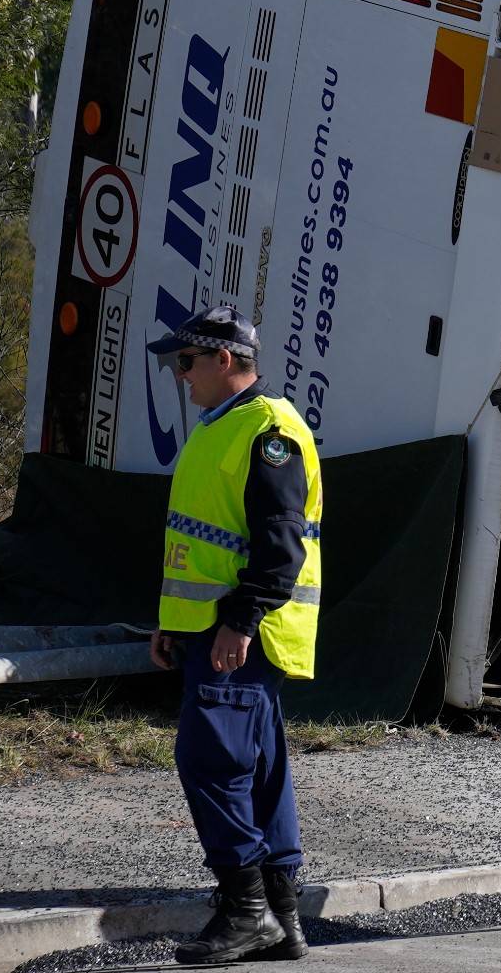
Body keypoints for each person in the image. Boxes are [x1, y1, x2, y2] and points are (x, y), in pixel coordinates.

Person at [145, 304, 322, 964]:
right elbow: (204, 538)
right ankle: (281, 916)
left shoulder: (266, 431)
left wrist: (239, 621)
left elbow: (282, 546)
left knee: (210, 761)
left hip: (242, 635)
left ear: (224, 361)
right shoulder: (224, 426)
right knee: (261, 772)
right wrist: (174, 622)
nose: (180, 374)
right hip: (212, 629)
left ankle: (244, 909)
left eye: (186, 361)